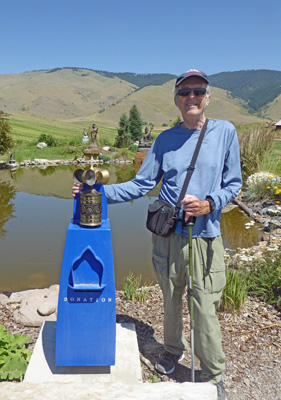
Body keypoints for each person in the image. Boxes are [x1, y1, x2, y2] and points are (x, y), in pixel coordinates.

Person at [72, 69, 242, 400]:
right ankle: (173, 349)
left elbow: (234, 183)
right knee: (170, 296)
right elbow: (142, 184)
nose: (191, 97)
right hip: (166, 235)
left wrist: (209, 203)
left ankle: (213, 373)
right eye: (184, 92)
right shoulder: (165, 139)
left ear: (207, 96)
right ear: (177, 99)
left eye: (198, 91)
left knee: (204, 305)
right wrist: (98, 190)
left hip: (204, 237)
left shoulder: (225, 132)